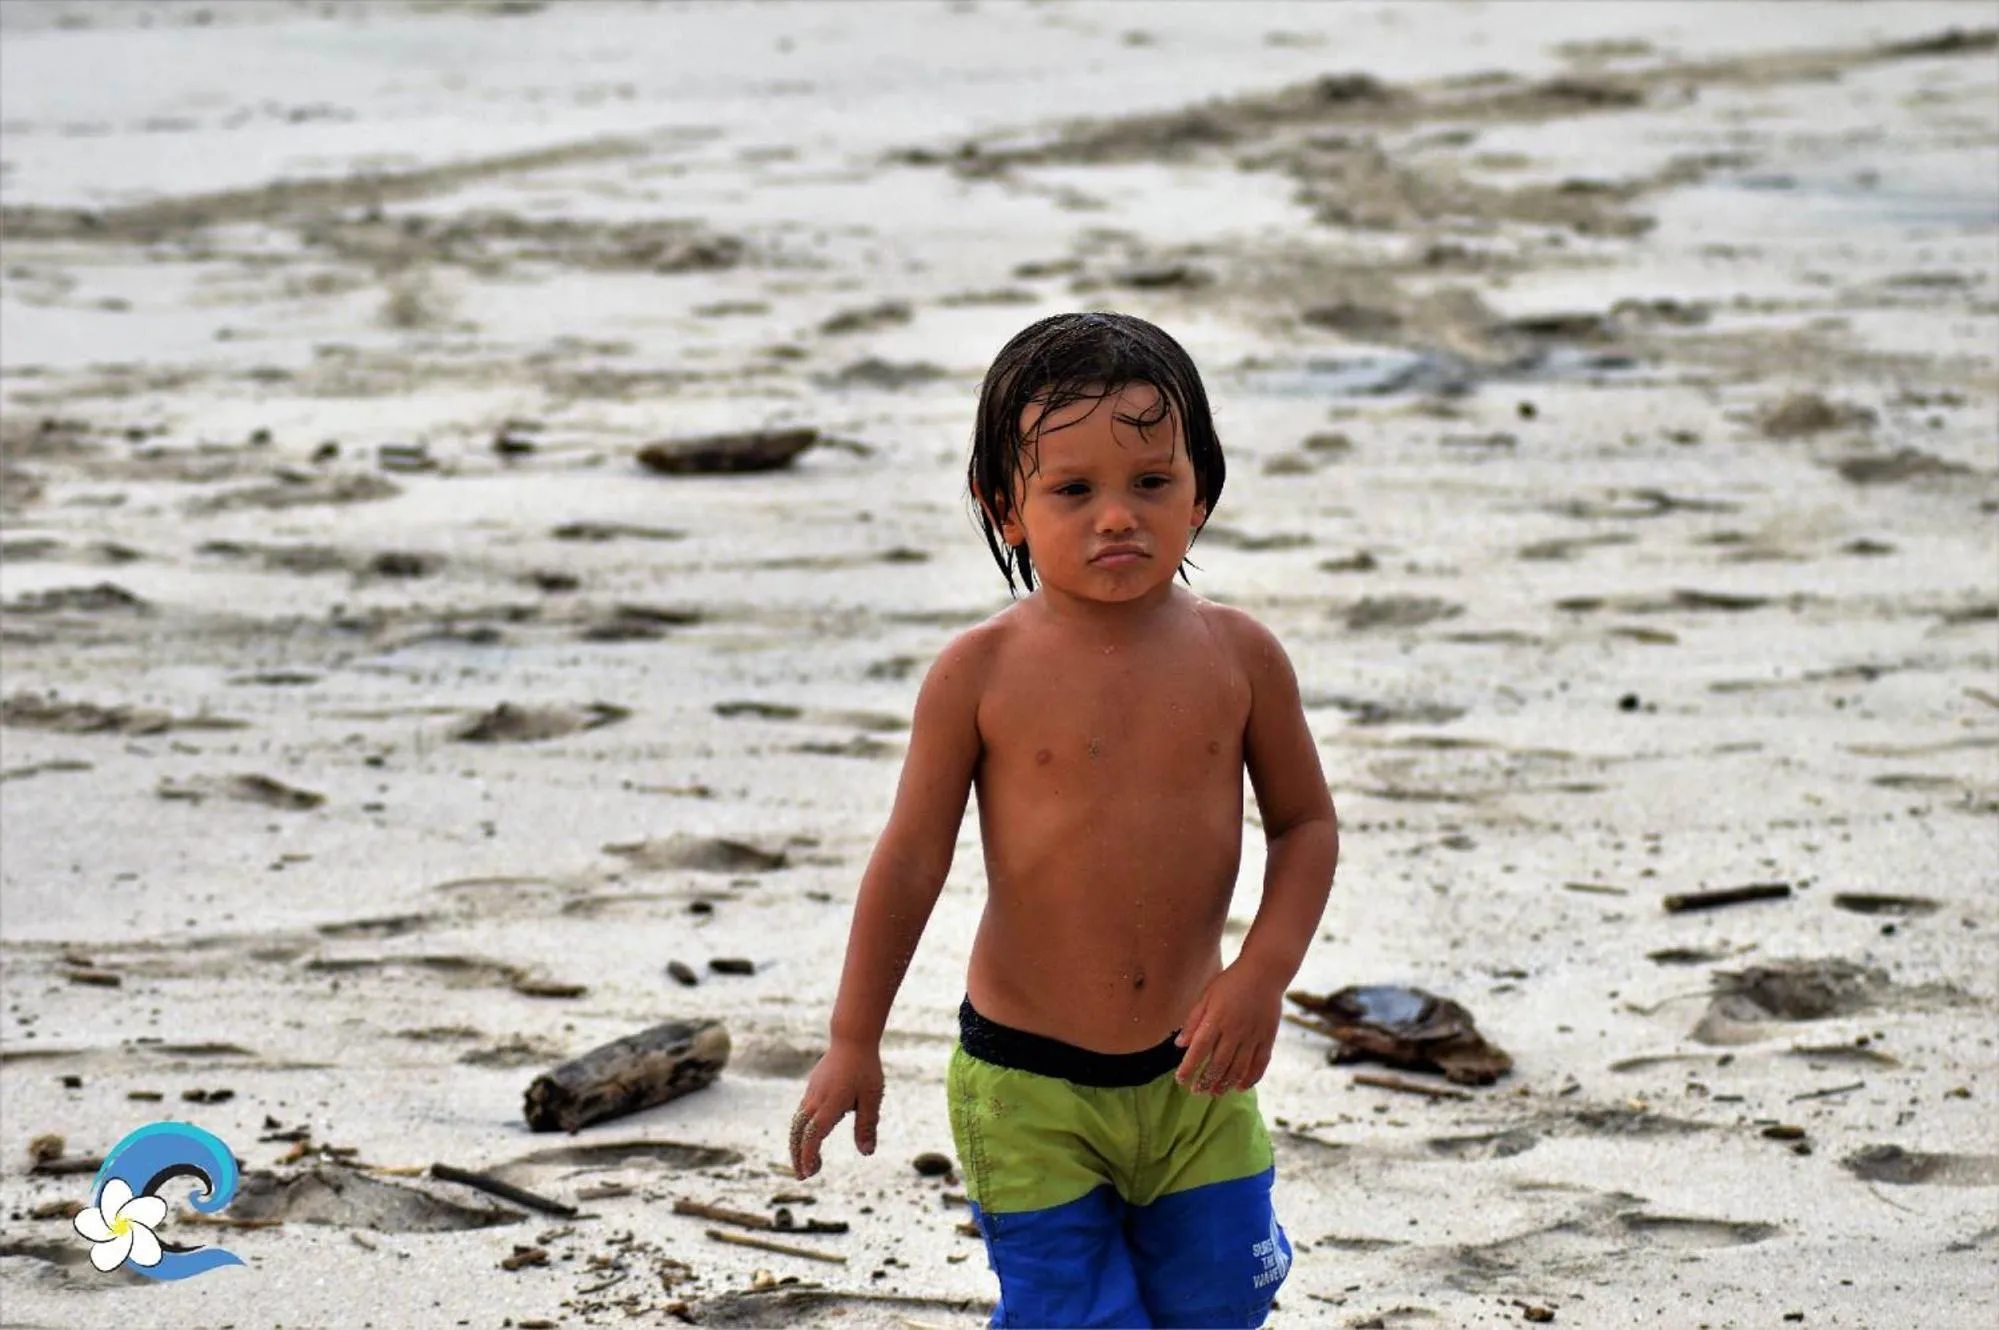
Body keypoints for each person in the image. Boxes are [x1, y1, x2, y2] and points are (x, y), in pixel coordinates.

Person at [790, 311, 1339, 1327]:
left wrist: (1261, 974)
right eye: (1072, 489)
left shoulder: (1240, 657)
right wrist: (851, 1038)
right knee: (1074, 1316)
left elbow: (1305, 825)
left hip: (1196, 1078)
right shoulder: (979, 673)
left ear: (1201, 492)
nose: (1116, 516)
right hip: (1028, 1085)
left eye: (1150, 483)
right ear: (1004, 508)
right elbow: (910, 860)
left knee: (1221, 1300)